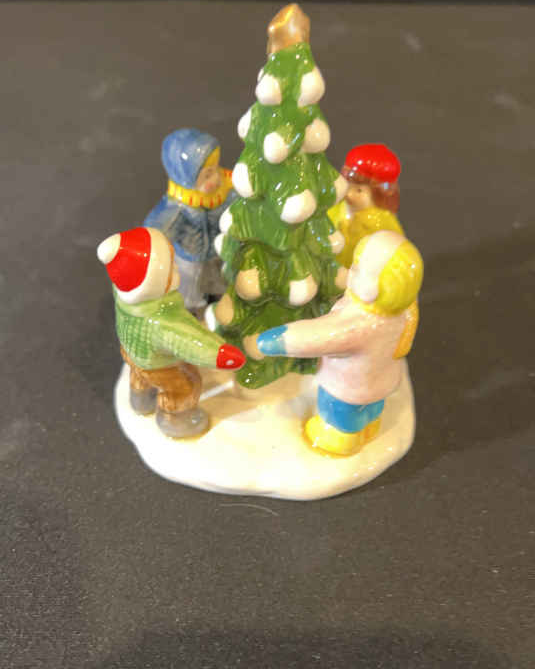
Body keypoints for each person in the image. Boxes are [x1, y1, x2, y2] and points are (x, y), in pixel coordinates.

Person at [257, 230, 423, 456]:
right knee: (371, 408)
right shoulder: (405, 311)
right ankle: (369, 425)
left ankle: (338, 438)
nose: (352, 271)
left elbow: (319, 335)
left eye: (358, 269)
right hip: (381, 381)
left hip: (347, 387)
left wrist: (280, 339)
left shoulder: (359, 324)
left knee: (339, 415)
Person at [97, 226, 245, 438]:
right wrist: (220, 354)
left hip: (132, 352)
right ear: (153, 282)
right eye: (169, 266)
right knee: (185, 385)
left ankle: (141, 401)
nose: (175, 267)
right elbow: (188, 341)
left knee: (140, 375)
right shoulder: (162, 321)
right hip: (160, 364)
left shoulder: (126, 297)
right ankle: (177, 421)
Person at [143, 128, 234, 311]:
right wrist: (152, 249)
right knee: (192, 287)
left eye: (216, 169)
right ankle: (195, 312)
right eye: (207, 175)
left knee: (218, 280)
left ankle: (220, 303)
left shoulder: (225, 191)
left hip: (218, 251)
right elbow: (157, 230)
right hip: (191, 258)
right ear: (186, 177)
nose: (216, 177)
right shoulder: (178, 207)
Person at [329, 143, 404, 269]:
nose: (349, 193)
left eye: (359, 190)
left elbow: (393, 255)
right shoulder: (335, 210)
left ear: (378, 195)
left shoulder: (383, 225)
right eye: (347, 185)